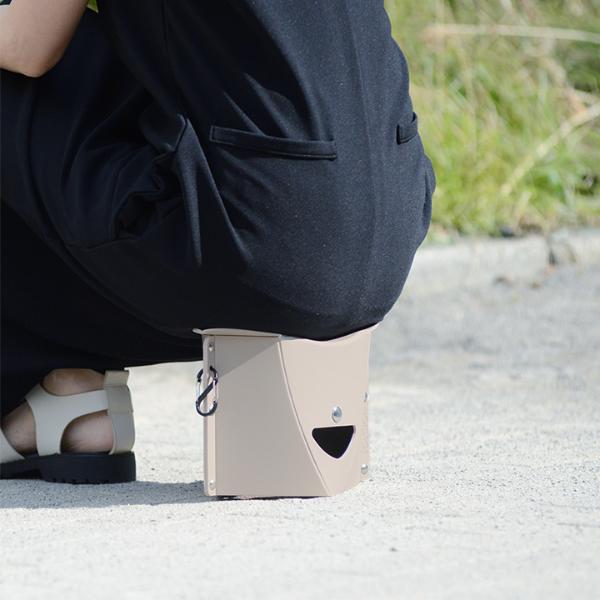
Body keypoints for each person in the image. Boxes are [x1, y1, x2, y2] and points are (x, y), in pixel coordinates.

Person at [0, 0, 435, 483]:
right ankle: (65, 394)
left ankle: (34, 375)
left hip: (249, 248)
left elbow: (27, 44)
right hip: (386, 229)